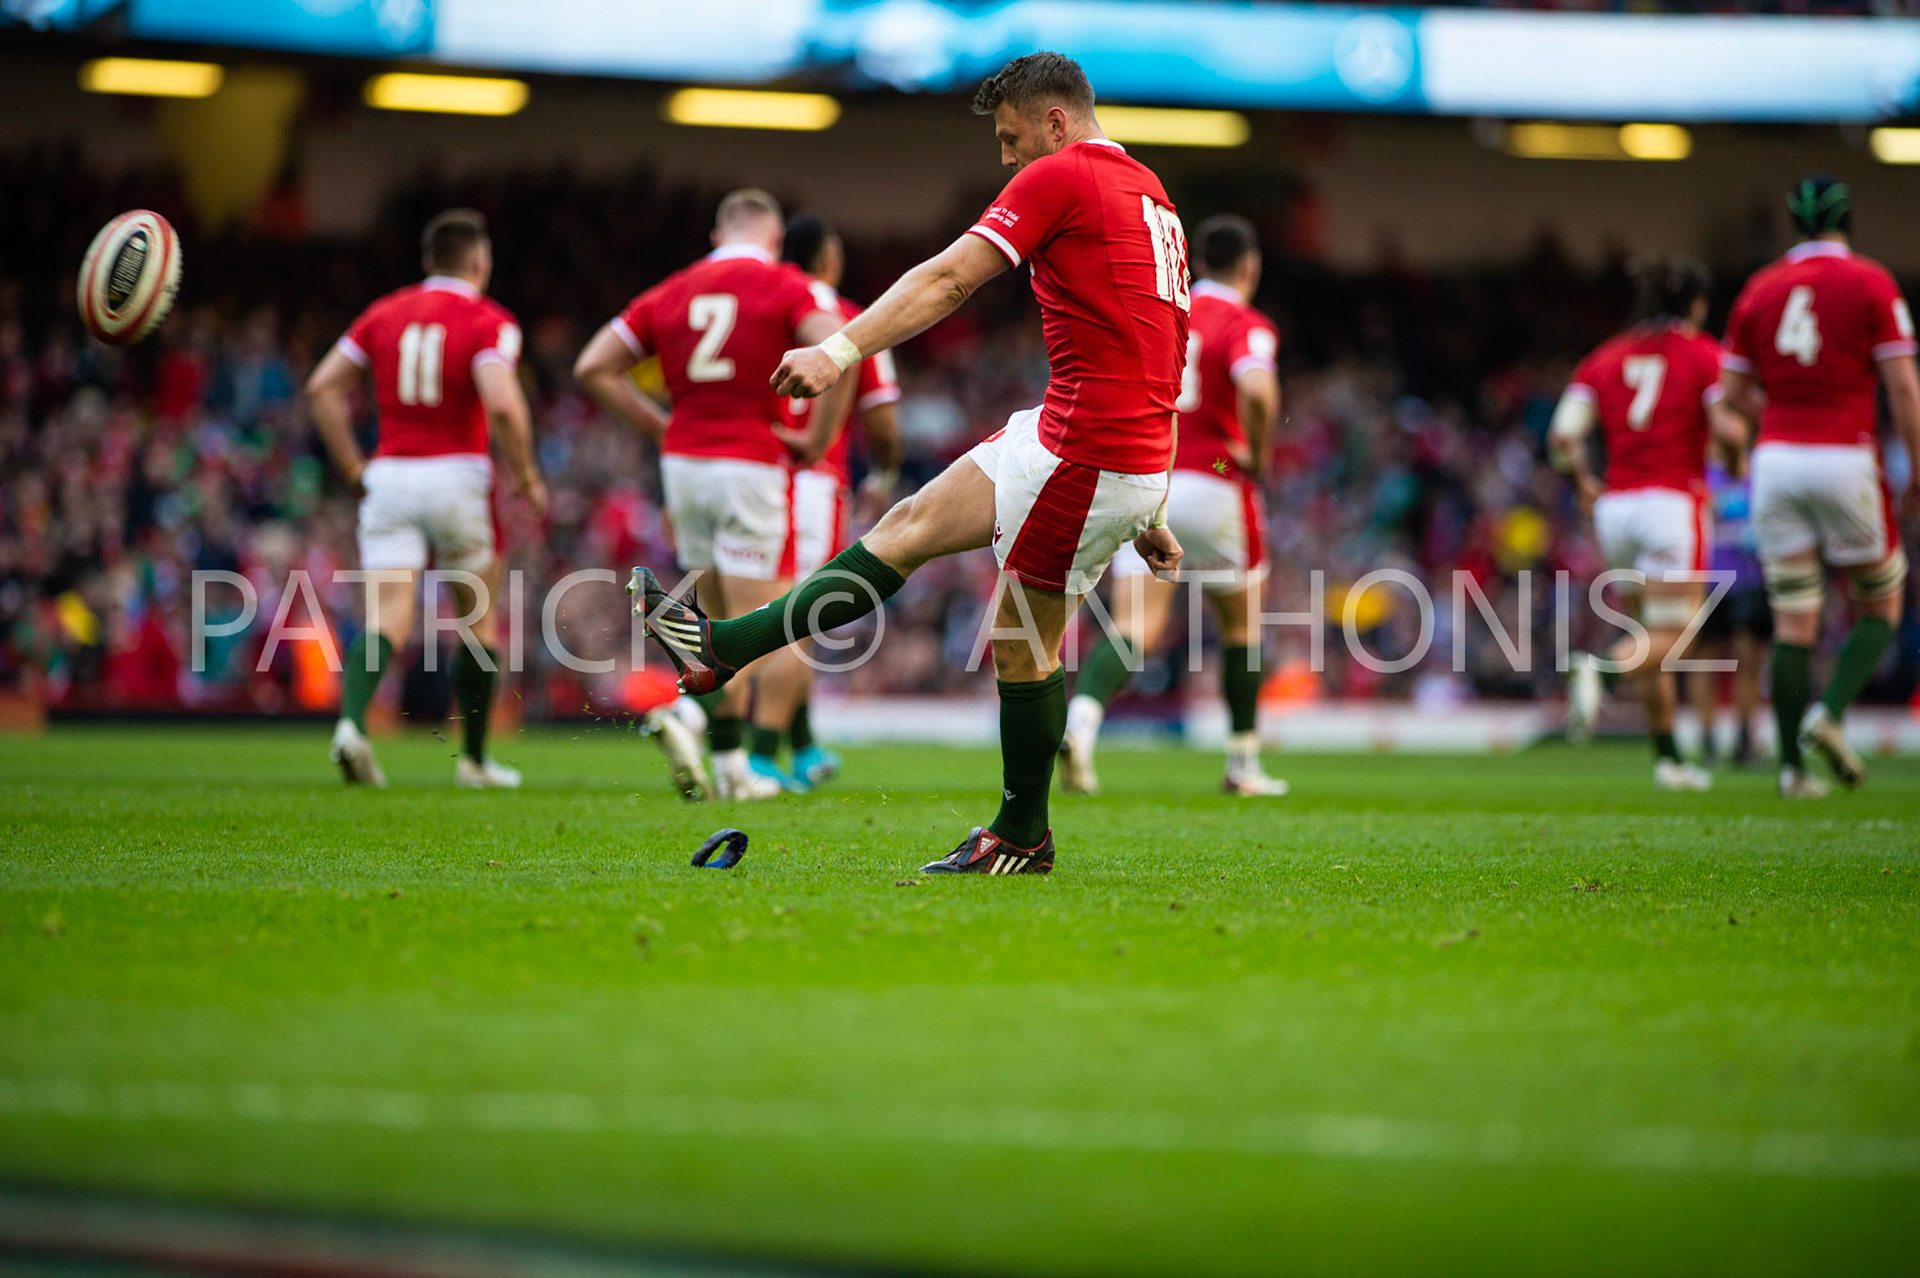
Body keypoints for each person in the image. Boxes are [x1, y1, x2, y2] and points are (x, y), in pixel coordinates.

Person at [632, 52, 1190, 874]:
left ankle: (1022, 836)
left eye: (1010, 139)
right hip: (1090, 434)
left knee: (1021, 644)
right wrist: (1152, 501)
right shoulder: (1152, 194)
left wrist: (838, 349)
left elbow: (952, 277)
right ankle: (720, 648)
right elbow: (1166, 352)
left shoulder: (1062, 175)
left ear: (1056, 121)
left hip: (1089, 445)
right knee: (908, 526)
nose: (1004, 159)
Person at [574, 189, 854, 801]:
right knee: (775, 622)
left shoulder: (671, 290)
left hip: (684, 469)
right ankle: (695, 720)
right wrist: (818, 438)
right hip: (749, 465)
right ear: (774, 238)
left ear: (716, 234)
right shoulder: (784, 285)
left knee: (716, 622)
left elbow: (592, 366)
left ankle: (728, 766)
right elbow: (840, 346)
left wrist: (660, 426)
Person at [308, 208, 545, 789]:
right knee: (477, 623)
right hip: (458, 477)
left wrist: (350, 465)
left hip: (389, 476)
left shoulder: (383, 314)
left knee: (387, 615)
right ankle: (474, 760)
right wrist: (526, 473)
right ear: (480, 262)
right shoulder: (488, 320)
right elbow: (505, 404)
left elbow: (322, 387)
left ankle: (352, 726)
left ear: (426, 261)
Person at [1060, 213, 1287, 798]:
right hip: (1215, 473)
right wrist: (1258, 455)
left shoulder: (1169, 311)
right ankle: (1242, 764)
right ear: (1251, 267)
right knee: (1242, 625)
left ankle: (1080, 725)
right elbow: (1258, 388)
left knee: (1135, 626)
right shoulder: (1244, 322)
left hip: (1151, 477)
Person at [1720, 174, 1920, 797]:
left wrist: (1781, 406)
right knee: (1882, 600)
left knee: (1793, 625)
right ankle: (1827, 711)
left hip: (1775, 459)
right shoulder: (1870, 282)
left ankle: (1788, 771)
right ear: (1846, 219)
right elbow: (1903, 388)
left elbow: (1730, 398)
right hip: (1844, 454)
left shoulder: (1759, 288)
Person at [1552, 256, 1747, 791]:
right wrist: (1735, 462)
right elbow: (1727, 430)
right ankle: (1600, 671)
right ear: (1697, 305)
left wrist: (1584, 481)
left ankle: (1668, 760)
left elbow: (1562, 437)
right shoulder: (1706, 355)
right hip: (1672, 504)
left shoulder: (1602, 359)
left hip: (1616, 509)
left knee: (1647, 636)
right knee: (1674, 636)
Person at [777, 212, 904, 788]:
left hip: (740, 471)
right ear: (830, 260)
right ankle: (753, 751)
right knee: (796, 617)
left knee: (752, 608)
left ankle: (798, 745)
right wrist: (884, 470)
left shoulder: (759, 306)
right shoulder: (854, 321)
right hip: (812, 477)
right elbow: (882, 422)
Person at [1686, 461, 1771, 768]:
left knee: (1749, 660)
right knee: (1705, 660)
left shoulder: (1757, 472)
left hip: (1749, 578)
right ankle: (1707, 740)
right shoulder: (1700, 472)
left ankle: (1744, 740)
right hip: (1708, 577)